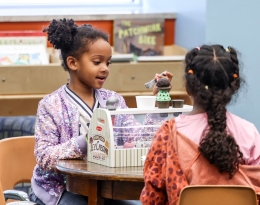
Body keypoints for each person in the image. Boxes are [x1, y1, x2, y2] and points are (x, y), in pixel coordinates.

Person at [29, 18, 173, 205]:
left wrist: (157, 102)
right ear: (73, 63)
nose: (105, 69)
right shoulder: (50, 105)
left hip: (104, 186)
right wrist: (88, 141)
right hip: (58, 189)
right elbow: (44, 156)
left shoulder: (113, 100)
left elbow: (138, 137)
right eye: (97, 62)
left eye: (108, 63)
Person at [140, 44, 260, 205]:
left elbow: (152, 199)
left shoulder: (169, 134)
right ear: (233, 87)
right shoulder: (249, 132)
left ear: (189, 87)